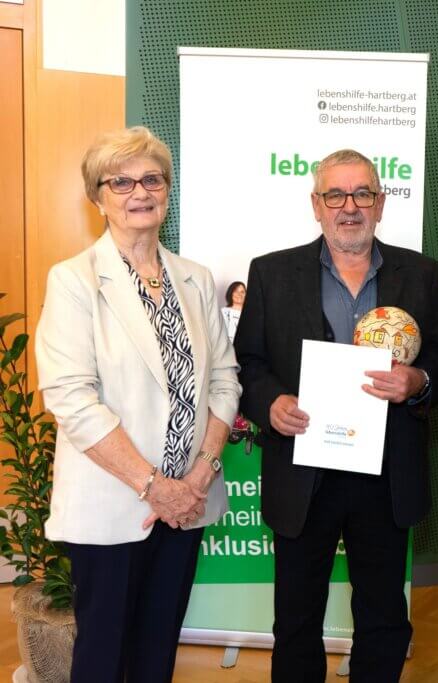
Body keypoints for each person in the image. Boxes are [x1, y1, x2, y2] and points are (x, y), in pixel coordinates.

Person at [34, 126, 241, 683]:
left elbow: (225, 378)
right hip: (112, 504)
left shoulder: (195, 279)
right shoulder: (74, 281)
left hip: (189, 503)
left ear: (167, 191)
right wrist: (156, 486)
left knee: (157, 651)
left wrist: (199, 476)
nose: (138, 192)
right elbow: (71, 399)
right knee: (102, 657)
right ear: (97, 197)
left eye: (151, 179)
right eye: (120, 181)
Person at [233, 148, 438, 683]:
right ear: (316, 204)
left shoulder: (420, 274)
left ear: (381, 203)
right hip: (304, 473)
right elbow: (247, 365)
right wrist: (270, 404)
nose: (349, 207)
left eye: (362, 194)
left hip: (386, 473)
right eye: (336, 195)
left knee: (384, 617)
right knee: (297, 619)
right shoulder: (272, 273)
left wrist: (417, 381)